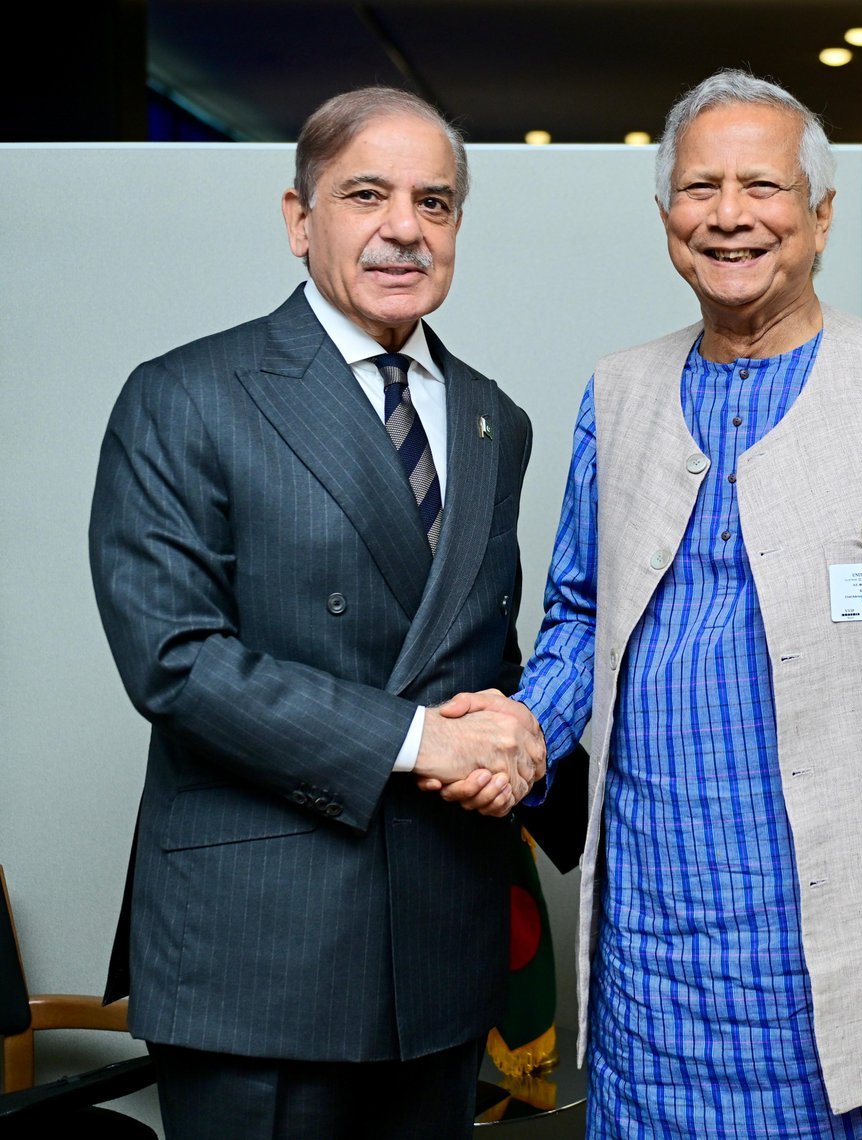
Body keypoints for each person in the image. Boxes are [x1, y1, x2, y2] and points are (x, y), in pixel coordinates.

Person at [432, 69, 862, 1137]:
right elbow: (579, 613)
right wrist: (529, 725)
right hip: (657, 946)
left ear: (818, 215)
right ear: (668, 215)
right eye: (698, 188)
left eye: (761, 186)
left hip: (856, 943)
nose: (728, 215)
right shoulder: (616, 395)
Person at [88, 86, 544, 1140]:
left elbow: (479, 648)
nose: (403, 228)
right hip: (261, 947)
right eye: (366, 195)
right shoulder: (187, 393)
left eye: (434, 203)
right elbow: (174, 659)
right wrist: (429, 741)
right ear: (299, 219)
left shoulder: (491, 419)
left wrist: (527, 743)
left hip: (441, 940)